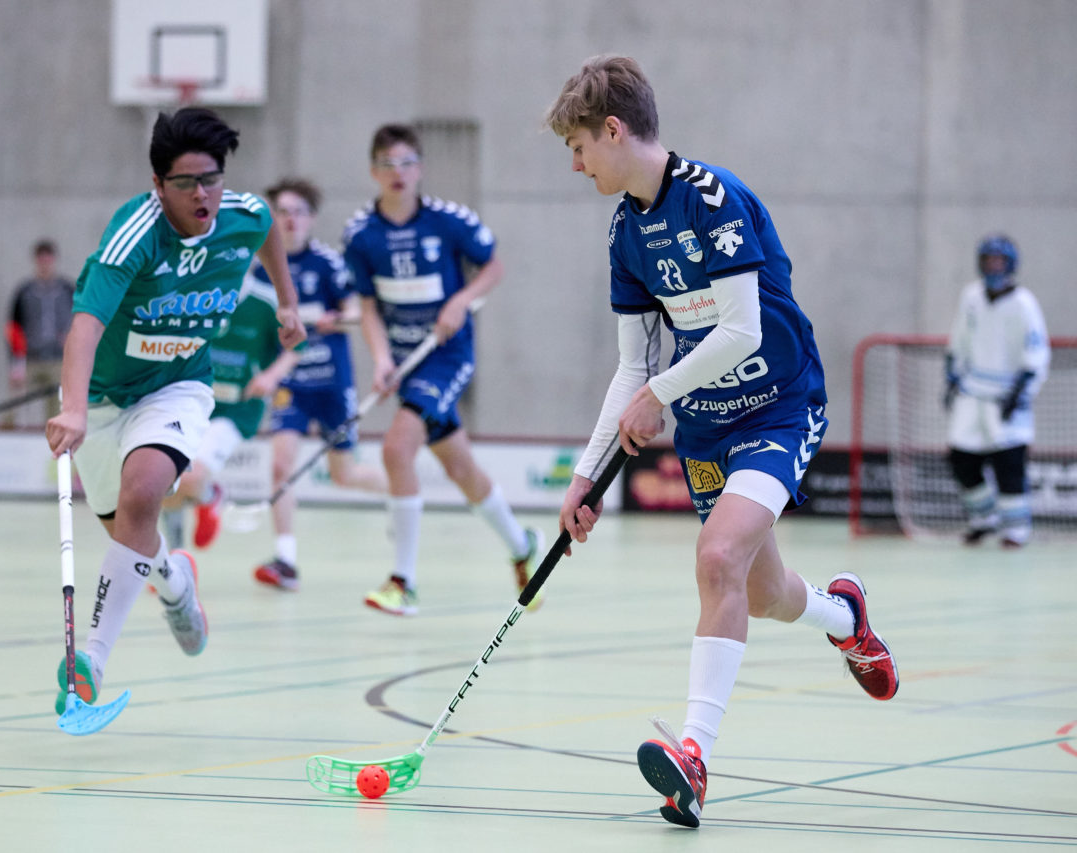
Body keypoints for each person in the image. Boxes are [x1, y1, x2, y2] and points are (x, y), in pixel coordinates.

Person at [546, 56, 898, 829]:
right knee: (762, 592)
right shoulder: (626, 232)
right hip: (706, 426)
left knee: (715, 557)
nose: (575, 165)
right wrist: (585, 475)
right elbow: (634, 366)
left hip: (778, 409)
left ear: (613, 130)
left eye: (578, 146)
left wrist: (658, 396)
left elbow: (741, 330)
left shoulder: (714, 199)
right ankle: (845, 618)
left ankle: (695, 758)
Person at [44, 107, 305, 715]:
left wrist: (287, 304)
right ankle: (176, 583)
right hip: (101, 401)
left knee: (142, 496)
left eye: (211, 179)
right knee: (127, 532)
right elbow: (86, 325)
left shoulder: (241, 214)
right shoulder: (134, 236)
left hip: (178, 386)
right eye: (185, 183)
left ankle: (91, 662)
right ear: (158, 184)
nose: (202, 195)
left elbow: (267, 229)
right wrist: (74, 410)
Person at [343, 123, 542, 617]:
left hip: (449, 356)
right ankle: (522, 546)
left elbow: (493, 267)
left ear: (421, 169)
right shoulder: (360, 235)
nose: (398, 172)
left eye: (407, 162)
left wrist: (461, 300)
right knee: (459, 468)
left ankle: (403, 582)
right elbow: (367, 307)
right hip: (406, 363)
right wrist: (382, 358)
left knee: (396, 449)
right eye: (387, 164)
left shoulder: (450, 221)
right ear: (373, 171)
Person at [239, 177, 387, 590]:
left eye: (299, 212)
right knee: (280, 466)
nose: (291, 220)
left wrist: (335, 318)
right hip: (292, 386)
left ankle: (400, 494)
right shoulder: (262, 271)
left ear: (312, 218)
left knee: (344, 475)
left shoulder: (327, 263)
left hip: (332, 383)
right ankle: (286, 561)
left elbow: (359, 312)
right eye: (282, 212)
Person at [159, 275, 303, 553]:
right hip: (188, 402)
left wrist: (271, 376)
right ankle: (174, 559)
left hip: (237, 409)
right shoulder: (193, 293)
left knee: (190, 478)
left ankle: (210, 496)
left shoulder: (265, 301)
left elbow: (297, 347)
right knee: (166, 477)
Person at [943, 235, 1050, 548]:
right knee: (961, 458)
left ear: (1010, 264)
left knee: (1009, 463)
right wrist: (951, 377)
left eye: (998, 261)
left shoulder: (1024, 304)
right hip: (972, 392)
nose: (993, 267)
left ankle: (1016, 530)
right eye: (988, 260)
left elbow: (1036, 352)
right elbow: (959, 339)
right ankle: (984, 518)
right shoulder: (971, 296)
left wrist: (1020, 393)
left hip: (1007, 395)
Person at [5, 239, 74, 426]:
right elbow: (14, 328)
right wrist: (16, 363)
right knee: (16, 403)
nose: (45, 265)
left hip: (58, 358)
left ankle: (52, 439)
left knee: (58, 408)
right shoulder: (24, 291)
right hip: (31, 358)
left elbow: (79, 321)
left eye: (48, 260)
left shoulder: (67, 289)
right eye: (41, 260)